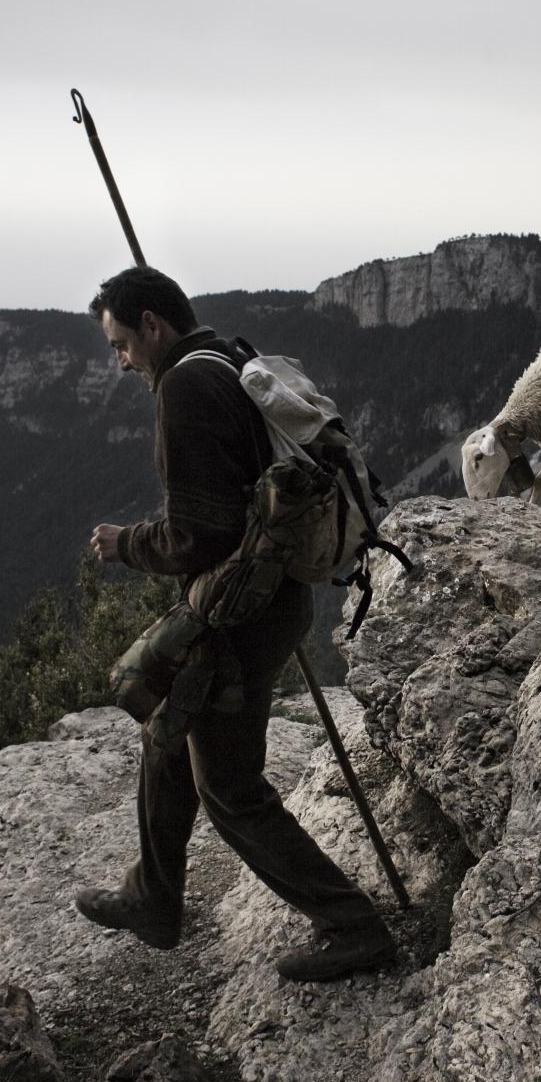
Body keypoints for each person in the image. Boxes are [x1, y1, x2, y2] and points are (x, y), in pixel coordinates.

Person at [74, 265, 396, 982]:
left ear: (152, 325)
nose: (121, 361)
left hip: (238, 608)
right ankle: (152, 898)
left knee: (230, 788)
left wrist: (126, 543)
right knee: (167, 732)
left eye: (123, 344)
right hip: (266, 595)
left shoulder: (186, 385)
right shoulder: (232, 357)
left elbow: (201, 534)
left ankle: (353, 926)